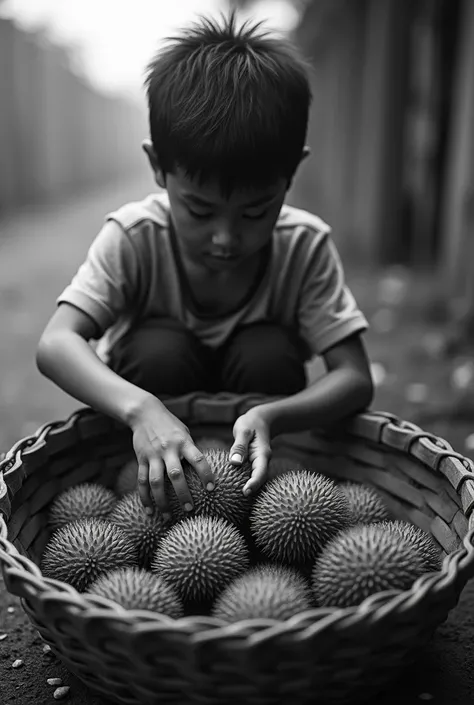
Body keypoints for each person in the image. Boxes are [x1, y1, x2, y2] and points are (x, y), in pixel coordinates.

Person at [36, 12, 374, 520]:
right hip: (155, 421)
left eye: (257, 211)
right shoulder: (133, 237)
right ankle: (156, 486)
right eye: (199, 209)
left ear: (292, 174)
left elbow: (354, 377)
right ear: (157, 167)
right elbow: (56, 343)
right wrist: (141, 409)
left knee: (267, 350)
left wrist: (272, 415)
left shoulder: (304, 245)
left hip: (256, 460)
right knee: (156, 349)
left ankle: (258, 497)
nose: (225, 237)